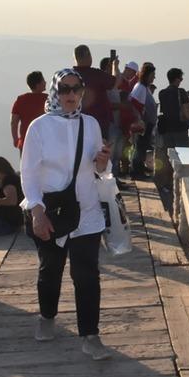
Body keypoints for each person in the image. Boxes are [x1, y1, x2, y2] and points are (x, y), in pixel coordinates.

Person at [20, 69, 112, 360]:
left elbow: (100, 172)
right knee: (51, 270)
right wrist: (36, 211)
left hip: (86, 211)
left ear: (82, 91)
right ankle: (47, 317)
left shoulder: (91, 124)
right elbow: (29, 173)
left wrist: (101, 163)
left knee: (87, 275)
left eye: (76, 89)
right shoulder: (39, 127)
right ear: (54, 92)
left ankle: (90, 335)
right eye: (64, 89)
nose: (70, 95)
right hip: (51, 212)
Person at [73, 44, 115, 139]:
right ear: (88, 56)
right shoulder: (96, 74)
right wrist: (115, 67)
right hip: (99, 123)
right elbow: (115, 82)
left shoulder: (69, 76)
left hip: (75, 123)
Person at [128, 62, 157, 178]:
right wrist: (139, 120)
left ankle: (139, 168)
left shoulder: (144, 88)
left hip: (147, 124)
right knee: (139, 147)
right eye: (153, 75)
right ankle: (136, 171)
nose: (154, 77)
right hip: (142, 124)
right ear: (148, 75)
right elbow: (133, 105)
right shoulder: (139, 88)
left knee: (142, 148)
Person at [11, 70, 48, 158]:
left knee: (26, 169)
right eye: (43, 80)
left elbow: (14, 122)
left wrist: (16, 139)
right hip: (45, 142)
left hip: (26, 142)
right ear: (38, 84)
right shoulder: (48, 100)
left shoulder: (21, 100)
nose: (45, 82)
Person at [157, 67, 189, 149]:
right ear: (176, 79)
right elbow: (186, 112)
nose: (181, 80)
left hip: (167, 129)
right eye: (181, 78)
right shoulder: (181, 92)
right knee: (182, 156)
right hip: (180, 129)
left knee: (170, 156)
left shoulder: (162, 93)